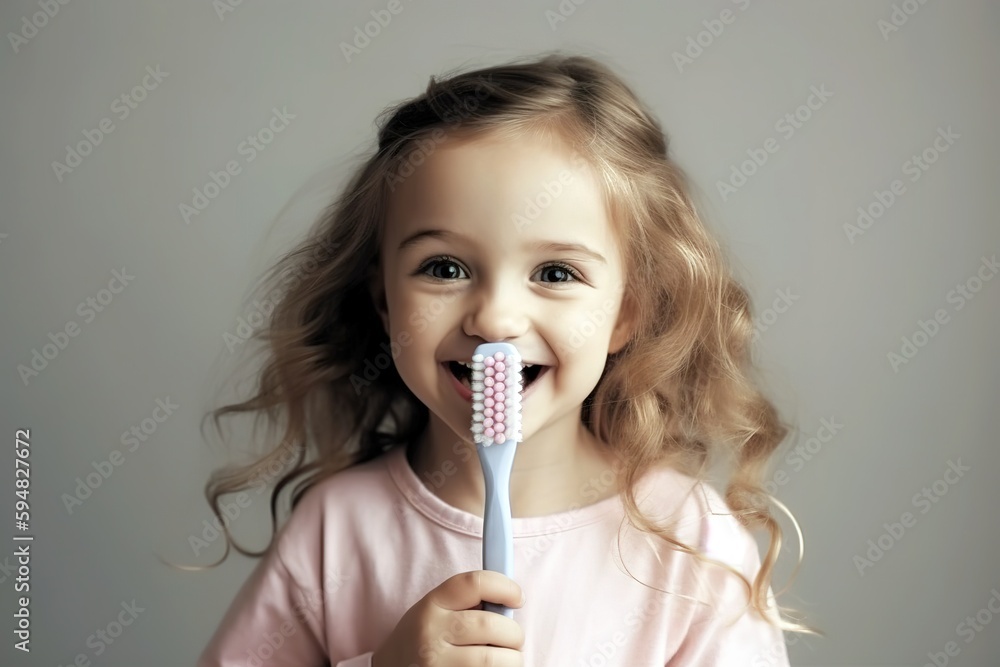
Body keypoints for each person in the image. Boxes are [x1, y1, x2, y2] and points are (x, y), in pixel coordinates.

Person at [194, 52, 819, 666]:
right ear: (383, 300)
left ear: (626, 313)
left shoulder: (689, 540)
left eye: (554, 272)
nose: (494, 318)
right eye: (444, 268)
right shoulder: (337, 530)